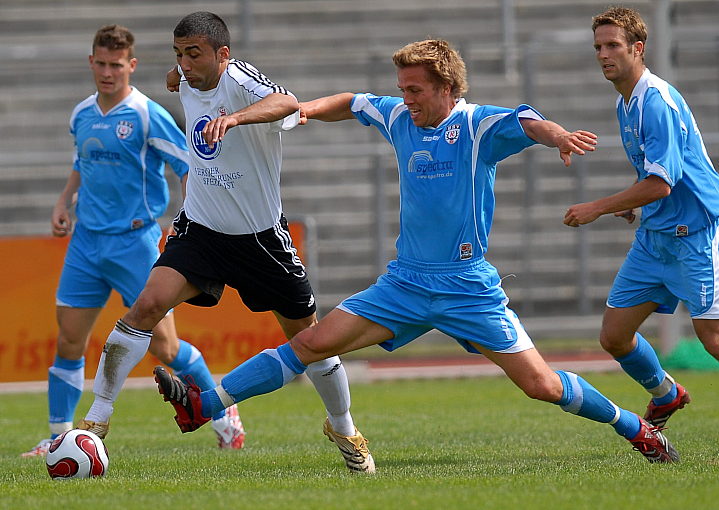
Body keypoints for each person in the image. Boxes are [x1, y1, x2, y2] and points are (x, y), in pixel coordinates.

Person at [155, 37, 683, 467]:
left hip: (467, 287)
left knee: (541, 385)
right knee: (310, 343)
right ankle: (204, 405)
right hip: (405, 283)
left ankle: (636, 428)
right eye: (402, 88)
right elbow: (353, 102)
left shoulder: (475, 126)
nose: (405, 98)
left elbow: (527, 122)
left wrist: (559, 135)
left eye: (415, 90)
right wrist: (305, 111)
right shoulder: (399, 118)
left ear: (447, 88)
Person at [81, 12, 374, 473]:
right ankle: (96, 421)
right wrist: (178, 72)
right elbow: (182, 74)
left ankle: (343, 425)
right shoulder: (187, 75)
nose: (184, 64)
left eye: (194, 54)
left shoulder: (238, 79)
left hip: (260, 239)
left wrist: (234, 118)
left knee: (312, 341)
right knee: (146, 307)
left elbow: (286, 101)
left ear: (223, 54)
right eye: (178, 54)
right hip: (201, 230)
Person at [563, 6, 719, 452]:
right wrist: (633, 207)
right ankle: (667, 394)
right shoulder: (625, 101)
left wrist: (599, 207)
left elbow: (662, 182)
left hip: (696, 237)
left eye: (613, 45)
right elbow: (652, 177)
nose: (603, 54)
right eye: (598, 47)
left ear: (638, 48)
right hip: (655, 239)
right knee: (614, 336)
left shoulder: (657, 101)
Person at [21, 25, 246, 458]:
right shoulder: (82, 113)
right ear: (91, 63)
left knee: (164, 346)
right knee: (68, 341)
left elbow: (189, 165)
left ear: (132, 65)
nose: (108, 73)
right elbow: (81, 160)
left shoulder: (146, 114)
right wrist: (64, 201)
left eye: (117, 65)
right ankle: (58, 437)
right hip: (86, 243)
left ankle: (223, 415)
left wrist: (188, 218)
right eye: (102, 64)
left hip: (134, 243)